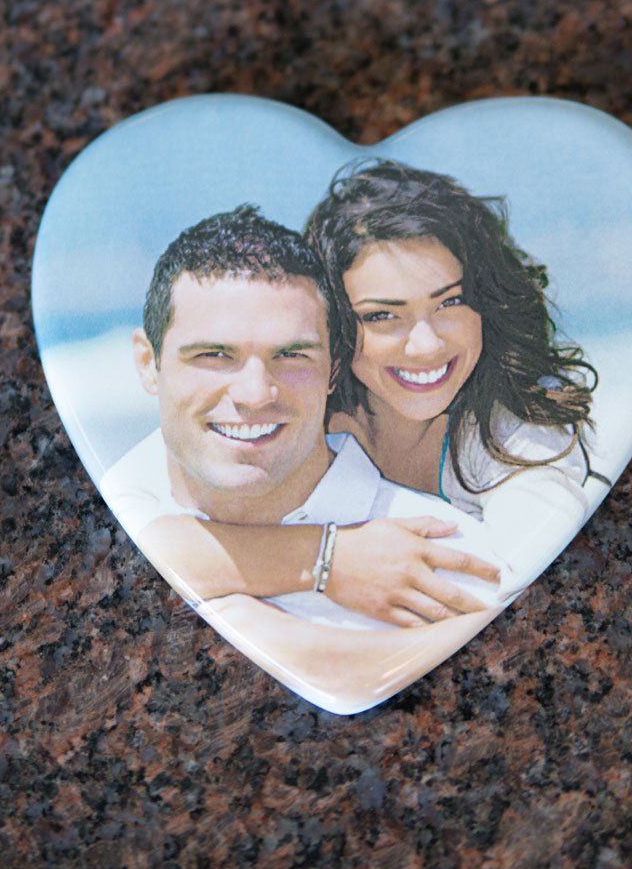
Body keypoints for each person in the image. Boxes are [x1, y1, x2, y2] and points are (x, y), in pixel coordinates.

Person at [99, 206, 517, 648]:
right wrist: (323, 560)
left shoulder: (447, 563)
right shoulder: (106, 504)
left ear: (334, 369)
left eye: (292, 356)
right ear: (149, 364)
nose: (255, 394)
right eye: (215, 355)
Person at [306, 159, 601, 578]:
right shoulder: (300, 416)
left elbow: (529, 561)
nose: (426, 345)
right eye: (381, 316)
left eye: (449, 302)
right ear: (333, 324)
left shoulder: (515, 427)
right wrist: (317, 558)